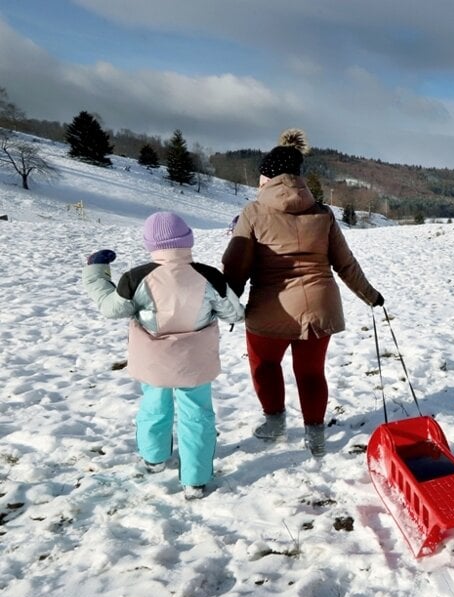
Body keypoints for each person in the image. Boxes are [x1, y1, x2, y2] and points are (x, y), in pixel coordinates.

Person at [222, 128, 383, 459]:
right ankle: (316, 435)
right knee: (311, 373)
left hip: (271, 310)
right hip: (319, 309)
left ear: (266, 177)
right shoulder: (323, 214)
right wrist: (371, 296)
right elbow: (346, 265)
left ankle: (275, 422)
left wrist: (225, 302)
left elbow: (236, 265)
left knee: (264, 364)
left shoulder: (253, 213)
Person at [82, 211, 245, 499]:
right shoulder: (208, 275)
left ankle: (154, 459)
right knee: (197, 416)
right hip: (195, 362)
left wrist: (96, 272)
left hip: (153, 359)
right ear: (188, 240)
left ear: (151, 244)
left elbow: (111, 309)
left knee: (154, 407)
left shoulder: (136, 277)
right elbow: (235, 313)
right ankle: (195, 479)